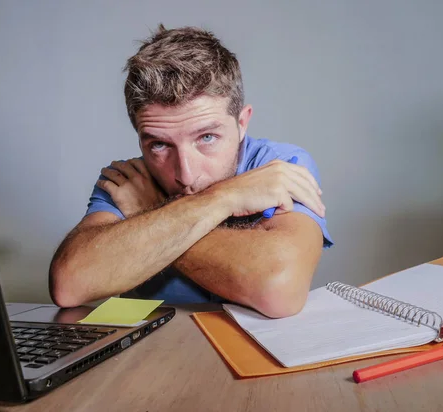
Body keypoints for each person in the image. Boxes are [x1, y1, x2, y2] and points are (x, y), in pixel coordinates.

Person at [49, 24, 333, 318]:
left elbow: (279, 291)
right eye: (159, 145)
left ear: (242, 122)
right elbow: (69, 285)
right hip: (152, 353)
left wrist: (146, 211)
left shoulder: (278, 165)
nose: (185, 174)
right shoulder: (130, 179)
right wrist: (224, 198)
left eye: (206, 137)